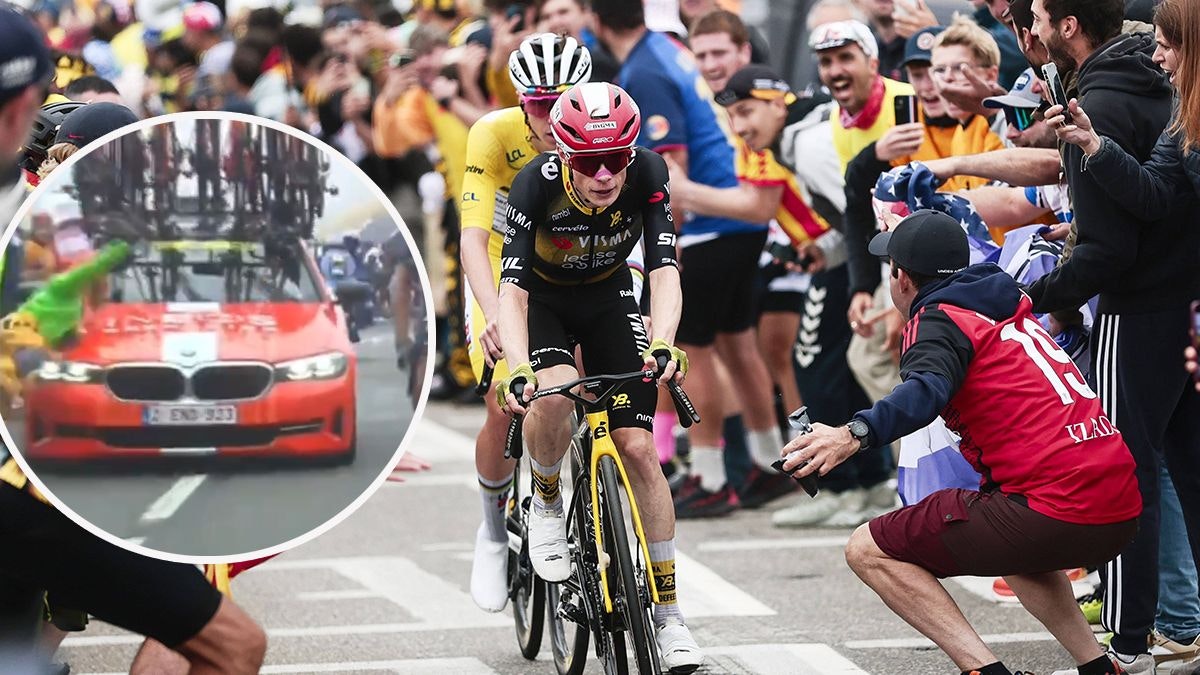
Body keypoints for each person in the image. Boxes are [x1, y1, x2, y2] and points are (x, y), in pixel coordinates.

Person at [780, 209, 1141, 675]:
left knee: (867, 549)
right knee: (1008, 537)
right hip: (1121, 507)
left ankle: (984, 670)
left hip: (1058, 510)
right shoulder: (1004, 304)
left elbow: (924, 390)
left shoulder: (938, 319)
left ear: (901, 277)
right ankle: (1098, 667)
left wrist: (853, 434)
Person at [496, 81, 703, 672]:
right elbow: (512, 291)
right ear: (563, 155)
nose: (607, 174)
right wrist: (516, 370)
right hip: (544, 303)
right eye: (590, 162)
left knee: (639, 448)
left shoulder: (648, 174)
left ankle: (668, 619)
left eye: (618, 158)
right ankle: (546, 498)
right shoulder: (533, 184)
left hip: (612, 296)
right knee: (556, 396)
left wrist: (663, 341)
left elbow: (663, 270)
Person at [1025, 0, 1200, 669]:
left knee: (1127, 478)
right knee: (1186, 470)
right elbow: (1155, 195)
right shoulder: (1177, 110)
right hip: (1180, 309)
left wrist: (1029, 294)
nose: (1156, 56)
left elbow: (1109, 250)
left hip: (1143, 312)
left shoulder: (1122, 96)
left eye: (1166, 45)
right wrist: (1094, 146)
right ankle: (1169, 628)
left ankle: (1129, 644)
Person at [593, 0, 782, 518]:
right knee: (738, 345)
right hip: (737, 216)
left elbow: (666, 175)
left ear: (595, 22)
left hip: (709, 223)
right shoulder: (666, 52)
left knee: (688, 350)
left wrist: (660, 245)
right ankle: (772, 464)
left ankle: (710, 474)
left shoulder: (644, 70)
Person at [459, 32, 593, 613]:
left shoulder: (601, 119)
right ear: (520, 101)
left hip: (573, 258)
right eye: (539, 103)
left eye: (562, 98)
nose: (550, 114)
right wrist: (492, 314)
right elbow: (472, 239)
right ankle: (491, 532)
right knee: (504, 396)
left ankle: (591, 496)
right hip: (499, 265)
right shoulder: (492, 134)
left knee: (590, 380)